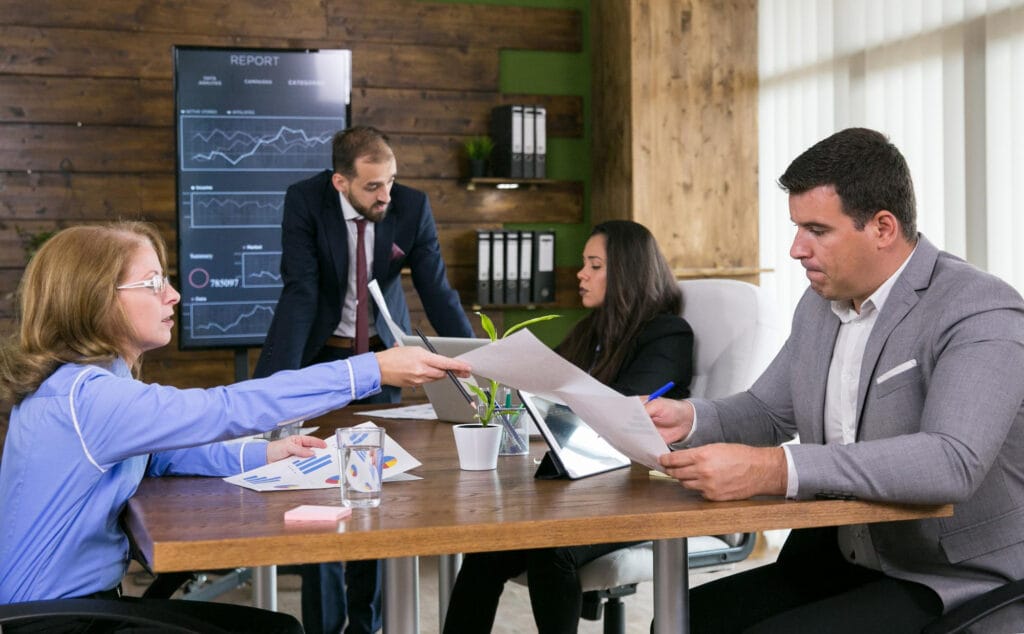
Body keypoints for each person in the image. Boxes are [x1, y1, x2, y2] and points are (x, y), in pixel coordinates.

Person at [0, 221, 470, 633]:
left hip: (65, 609)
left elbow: (160, 453)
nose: (173, 295)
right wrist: (372, 369)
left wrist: (262, 454)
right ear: (96, 299)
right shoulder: (89, 397)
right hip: (57, 621)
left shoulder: (83, 384)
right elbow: (222, 408)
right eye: (152, 283)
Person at [646, 128, 1024, 633]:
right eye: (797, 227)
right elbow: (766, 411)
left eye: (817, 230)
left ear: (883, 228)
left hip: (953, 573)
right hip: (846, 550)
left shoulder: (979, 309)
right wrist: (688, 419)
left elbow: (950, 460)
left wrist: (775, 470)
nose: (796, 249)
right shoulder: (821, 304)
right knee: (678, 621)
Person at [253, 125, 473, 634]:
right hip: (320, 360)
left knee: (374, 492)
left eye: (391, 182)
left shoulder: (411, 208)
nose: (385, 195)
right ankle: (325, 628)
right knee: (319, 494)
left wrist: (475, 361)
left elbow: (437, 291)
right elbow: (301, 292)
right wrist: (267, 393)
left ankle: (367, 623)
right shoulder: (305, 202)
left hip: (383, 361)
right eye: (373, 186)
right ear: (340, 182)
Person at [442, 220, 694, 634]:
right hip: (584, 481)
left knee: (551, 548)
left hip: (634, 487)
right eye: (584, 264)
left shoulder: (667, 333)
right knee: (486, 547)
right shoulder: (590, 331)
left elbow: (622, 410)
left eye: (594, 265)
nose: (581, 274)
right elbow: (545, 384)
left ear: (627, 273)